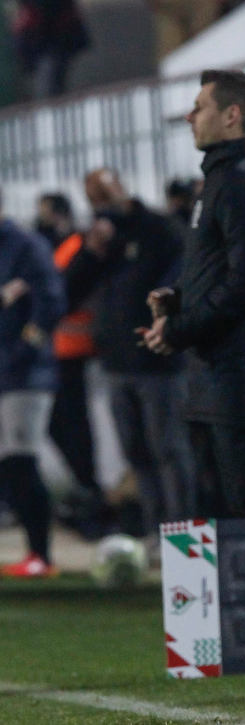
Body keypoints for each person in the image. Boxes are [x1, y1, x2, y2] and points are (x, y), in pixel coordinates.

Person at [139, 69, 245, 519]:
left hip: (242, 374)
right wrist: (178, 300)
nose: (190, 117)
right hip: (217, 375)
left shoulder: (243, 180)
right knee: (225, 512)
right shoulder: (223, 178)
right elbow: (224, 270)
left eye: (199, 108)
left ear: (231, 116)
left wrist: (180, 328)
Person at [63, 168, 194, 534]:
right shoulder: (101, 238)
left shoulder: (160, 229)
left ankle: (183, 537)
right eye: (93, 200)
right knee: (136, 453)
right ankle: (153, 531)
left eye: (104, 196)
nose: (100, 205)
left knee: (169, 449)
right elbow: (67, 294)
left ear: (121, 188)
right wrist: (91, 252)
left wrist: (166, 323)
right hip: (116, 363)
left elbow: (180, 282)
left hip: (160, 363)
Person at [34, 192, 110, 537]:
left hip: (72, 351)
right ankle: (85, 487)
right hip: (56, 351)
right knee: (58, 424)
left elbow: (64, 292)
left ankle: (89, 490)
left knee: (74, 425)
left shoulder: (75, 245)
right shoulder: (56, 247)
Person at [0, 191, 66, 577]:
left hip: (25, 376)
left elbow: (51, 302)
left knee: (20, 461)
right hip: (7, 374)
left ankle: (41, 555)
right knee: (11, 463)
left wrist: (23, 351)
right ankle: (34, 554)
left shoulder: (26, 246)